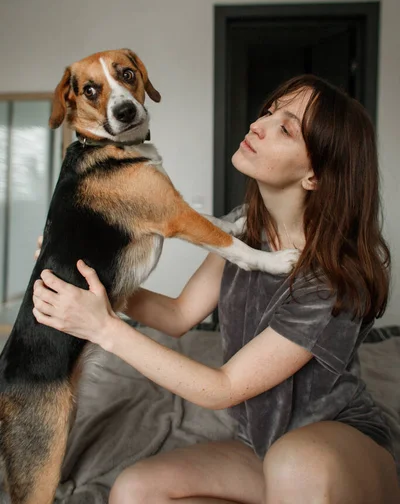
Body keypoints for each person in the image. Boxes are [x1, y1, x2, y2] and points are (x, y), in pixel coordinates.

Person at [32, 75, 400, 503]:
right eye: (269, 111)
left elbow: (223, 387)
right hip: (259, 447)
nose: (258, 125)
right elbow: (177, 316)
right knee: (134, 491)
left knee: (296, 464)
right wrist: (92, 281)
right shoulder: (245, 227)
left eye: (285, 128)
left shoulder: (330, 278)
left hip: (334, 447)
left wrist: (104, 329)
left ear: (315, 175)